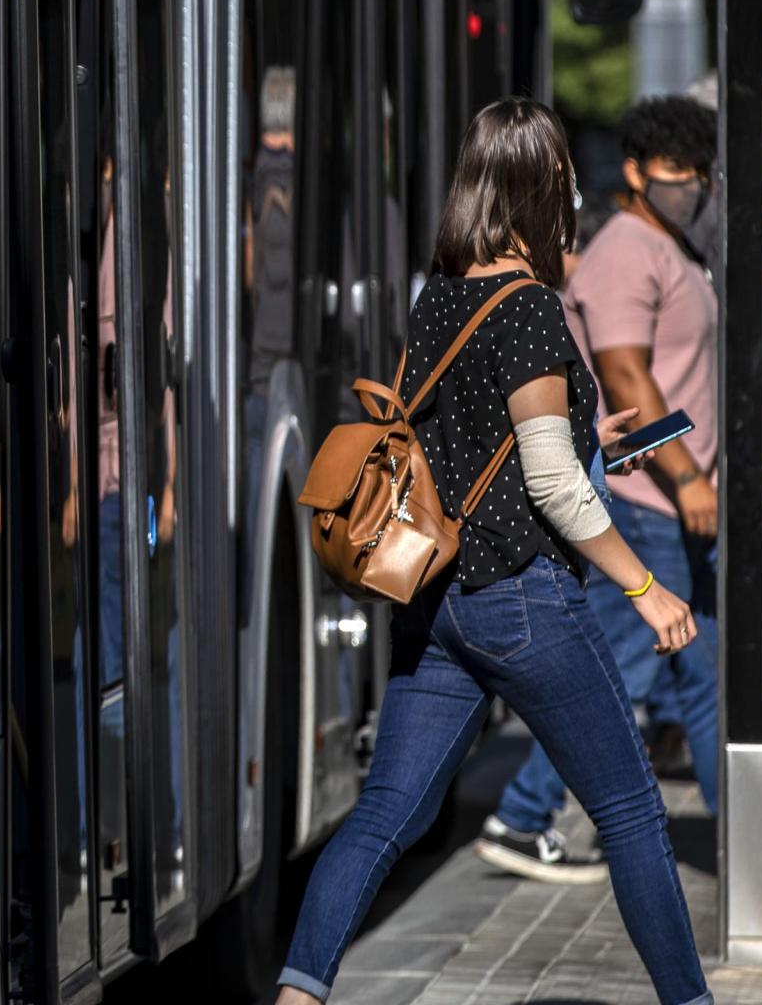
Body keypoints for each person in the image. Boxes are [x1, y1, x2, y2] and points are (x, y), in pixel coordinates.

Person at [275, 98, 711, 1005]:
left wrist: (595, 431)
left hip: (438, 608)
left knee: (385, 815)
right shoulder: (531, 310)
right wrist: (643, 587)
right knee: (632, 814)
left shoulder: (439, 297)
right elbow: (549, 485)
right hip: (521, 599)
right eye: (562, 175)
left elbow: (470, 444)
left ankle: (297, 995)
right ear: (540, 187)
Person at [475, 97, 723, 881]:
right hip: (652, 504)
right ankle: (522, 814)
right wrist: (684, 475)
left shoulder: (669, 243)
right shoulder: (624, 252)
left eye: (699, 171)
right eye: (677, 171)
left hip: (669, 499)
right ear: (637, 172)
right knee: (624, 672)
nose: (691, 184)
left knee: (698, 676)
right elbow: (623, 368)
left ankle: (739, 845)